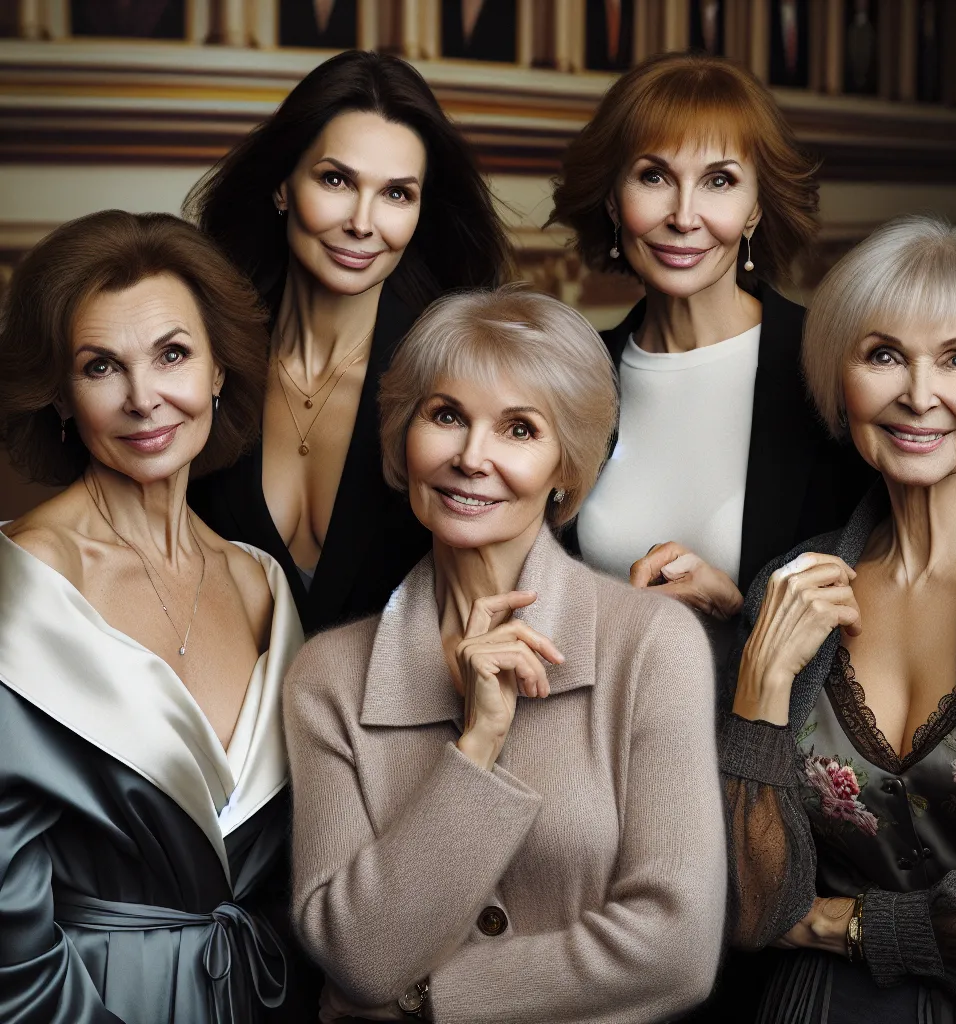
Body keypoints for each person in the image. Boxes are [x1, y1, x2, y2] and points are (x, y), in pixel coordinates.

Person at [284, 287, 727, 1023]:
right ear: (403, 436)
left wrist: (430, 1000)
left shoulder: (652, 644)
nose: (471, 457)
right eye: (446, 416)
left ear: (566, 467)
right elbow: (359, 958)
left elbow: (676, 949)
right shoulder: (328, 677)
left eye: (519, 429)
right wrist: (478, 743)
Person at [0, 210, 310, 1023]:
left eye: (173, 354)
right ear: (60, 394)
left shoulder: (261, 585)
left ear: (218, 369)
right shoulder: (22, 588)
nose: (144, 399)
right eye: (102, 366)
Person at [721, 216, 956, 1024]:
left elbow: (803, 919)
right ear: (840, 380)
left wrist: (851, 924)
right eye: (884, 355)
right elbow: (753, 912)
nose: (919, 395)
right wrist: (760, 684)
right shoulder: (790, 583)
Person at [186, 50, 513, 634]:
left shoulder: (452, 384)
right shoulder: (200, 358)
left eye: (396, 194)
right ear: (282, 186)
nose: (363, 223)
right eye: (336, 180)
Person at [548, 51, 875, 635]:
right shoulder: (570, 373)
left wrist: (740, 612)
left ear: (754, 210)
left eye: (719, 181)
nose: (683, 216)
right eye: (654, 177)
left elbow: (891, 605)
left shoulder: (831, 368)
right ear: (612, 200)